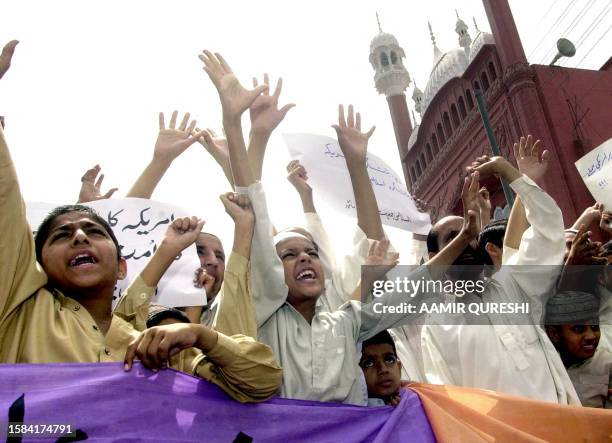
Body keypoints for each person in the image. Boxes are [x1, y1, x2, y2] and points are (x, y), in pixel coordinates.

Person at [0, 45, 282, 402]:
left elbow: (260, 384)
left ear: (121, 268)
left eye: (95, 231)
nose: (80, 237)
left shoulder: (156, 350)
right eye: (61, 235)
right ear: (35, 267)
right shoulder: (22, 313)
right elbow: (5, 207)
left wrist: (203, 336)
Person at [420, 136, 581, 405]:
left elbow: (548, 231)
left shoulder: (514, 284)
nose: (467, 239)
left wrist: (512, 174)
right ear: (437, 257)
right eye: (454, 236)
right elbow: (446, 403)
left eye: (470, 231)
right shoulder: (437, 326)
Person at [545, 291, 612, 408]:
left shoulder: (607, 363)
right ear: (554, 334)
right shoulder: (543, 365)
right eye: (578, 329)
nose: (591, 336)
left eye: (595, 327)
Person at [359, 330, 404, 407]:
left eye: (389, 360)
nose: (383, 370)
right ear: (358, 373)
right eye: (369, 363)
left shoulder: (419, 399)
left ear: (399, 367)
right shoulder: (353, 413)